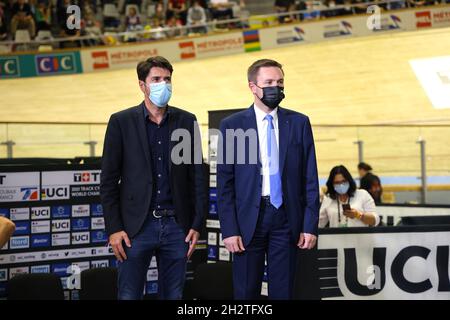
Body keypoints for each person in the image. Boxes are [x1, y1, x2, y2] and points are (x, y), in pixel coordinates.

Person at [100, 56, 207, 300]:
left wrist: (195, 224)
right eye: (156, 79)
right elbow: (108, 182)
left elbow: (197, 178)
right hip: (136, 228)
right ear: (142, 85)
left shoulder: (186, 121)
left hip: (176, 228)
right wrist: (114, 228)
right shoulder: (121, 122)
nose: (163, 85)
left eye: (167, 79)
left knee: (173, 295)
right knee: (129, 294)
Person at [217, 59, 320, 300]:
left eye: (280, 82)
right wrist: (229, 230)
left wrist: (309, 224)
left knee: (283, 292)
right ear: (253, 87)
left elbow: (310, 179)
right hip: (247, 222)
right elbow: (225, 185)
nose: (277, 87)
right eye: (269, 82)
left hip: (286, 219)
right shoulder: (232, 125)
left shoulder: (299, 122)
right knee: (245, 292)